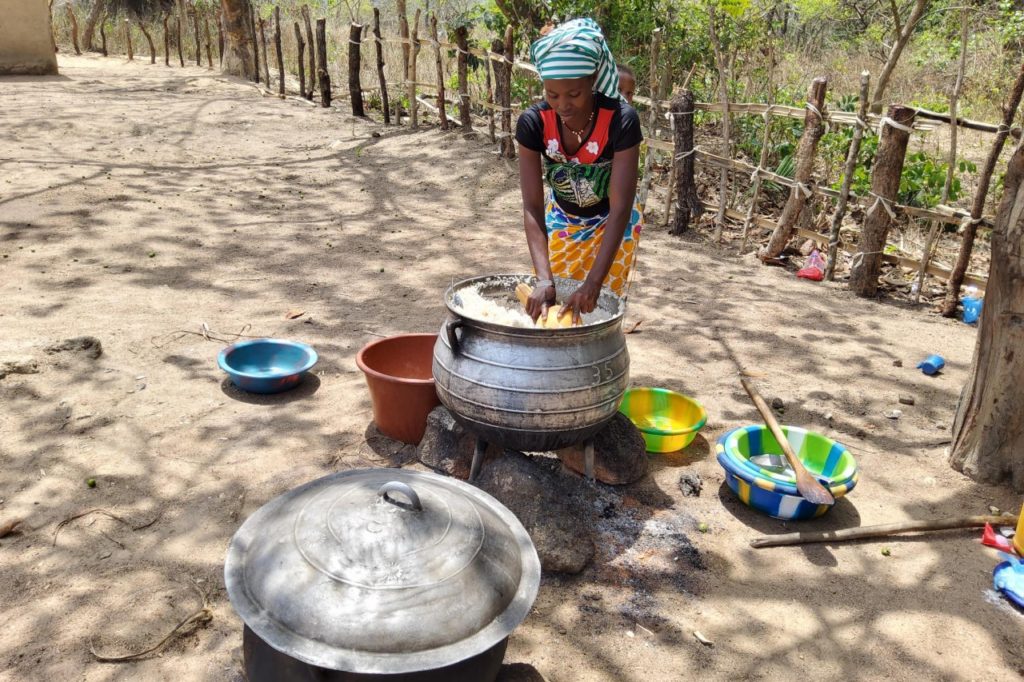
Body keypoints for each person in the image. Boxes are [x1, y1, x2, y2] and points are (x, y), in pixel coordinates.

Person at [515, 18, 644, 325]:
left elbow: (621, 206)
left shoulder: (620, 121)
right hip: (562, 218)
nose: (563, 105)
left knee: (599, 316)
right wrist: (544, 279)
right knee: (555, 307)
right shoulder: (533, 123)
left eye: (574, 94)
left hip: (613, 224)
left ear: (593, 80)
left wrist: (594, 283)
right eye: (552, 94)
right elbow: (532, 207)